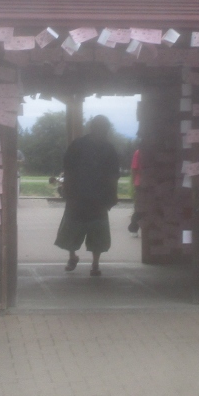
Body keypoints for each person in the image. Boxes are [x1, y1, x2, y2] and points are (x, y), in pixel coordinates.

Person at [54, 115, 121, 276]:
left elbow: (114, 175)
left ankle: (95, 264)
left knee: (98, 233)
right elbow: (68, 169)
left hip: (99, 198)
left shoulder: (109, 149)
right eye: (100, 127)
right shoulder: (78, 145)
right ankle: (72, 257)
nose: (102, 131)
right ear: (93, 128)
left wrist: (112, 195)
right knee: (71, 229)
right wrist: (67, 189)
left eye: (104, 128)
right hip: (78, 196)